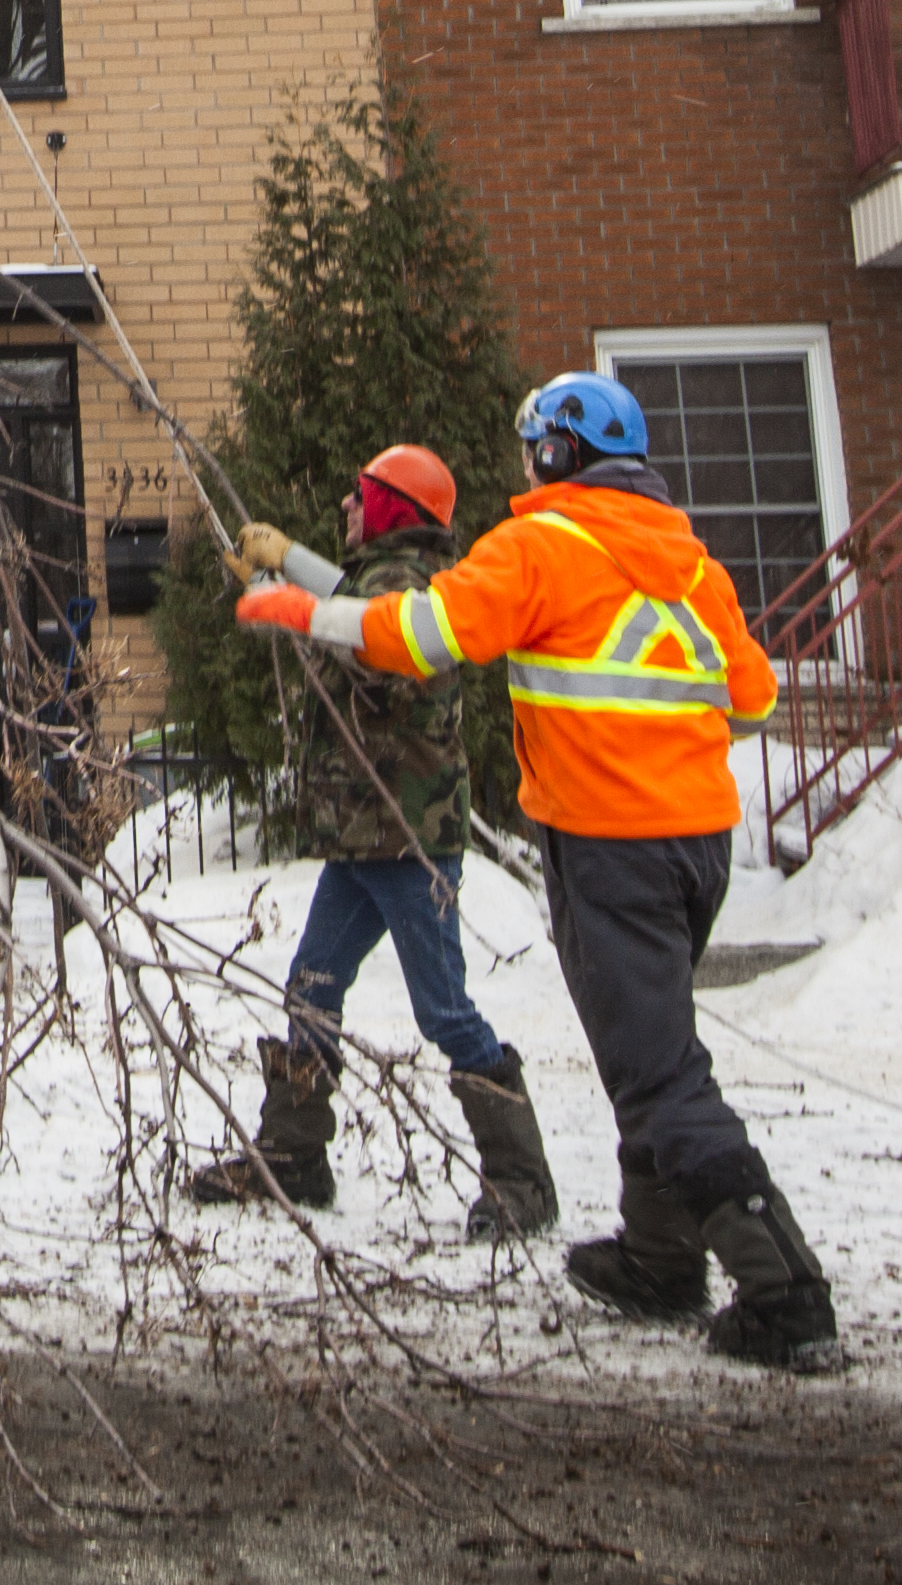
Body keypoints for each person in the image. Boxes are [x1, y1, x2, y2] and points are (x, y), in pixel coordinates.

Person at [237, 372, 840, 1372]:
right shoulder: (692, 565)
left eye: (531, 448)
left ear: (556, 455)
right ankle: (657, 1258)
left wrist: (299, 611)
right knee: (647, 1046)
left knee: (658, 1070)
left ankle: (783, 1288)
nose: (523, 467)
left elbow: (415, 635)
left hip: (610, 846)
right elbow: (753, 701)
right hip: (698, 847)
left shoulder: (539, 547)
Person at [192, 444, 557, 1239]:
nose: (348, 508)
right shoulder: (389, 576)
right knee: (311, 985)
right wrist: (286, 560)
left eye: (362, 498)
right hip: (365, 834)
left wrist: (282, 599)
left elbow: (378, 649)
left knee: (445, 1013)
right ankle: (294, 1157)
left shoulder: (409, 587)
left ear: (395, 510)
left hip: (408, 838)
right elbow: (353, 598)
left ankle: (522, 1182)